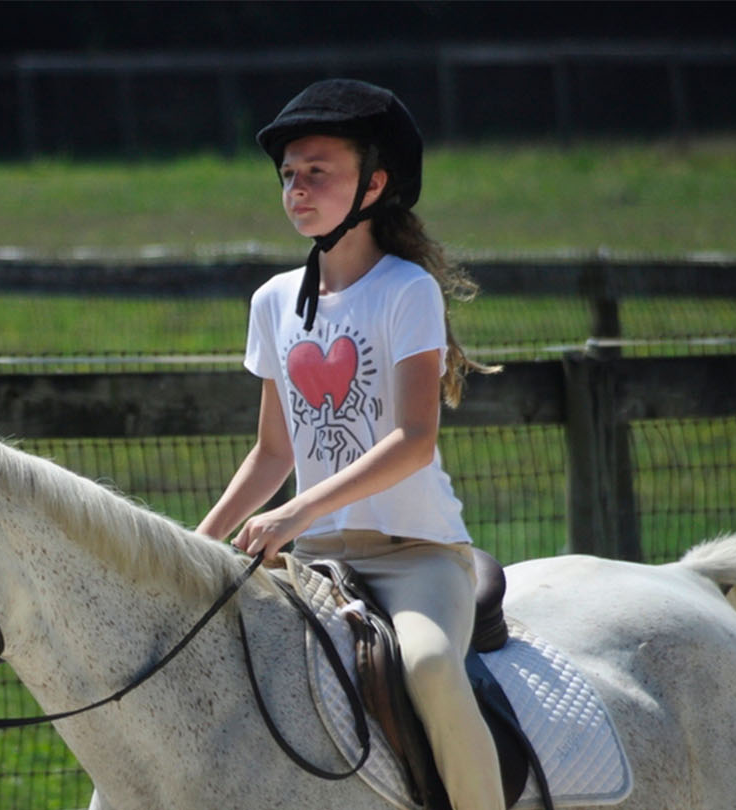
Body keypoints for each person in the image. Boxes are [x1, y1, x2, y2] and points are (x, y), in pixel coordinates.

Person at [196, 78, 504, 810]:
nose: (296, 189)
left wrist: (295, 514)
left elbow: (413, 441)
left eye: (317, 173)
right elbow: (273, 450)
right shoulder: (272, 302)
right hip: (318, 564)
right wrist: (199, 542)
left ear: (375, 185)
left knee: (429, 665)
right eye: (287, 176)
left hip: (417, 557)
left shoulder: (407, 291)